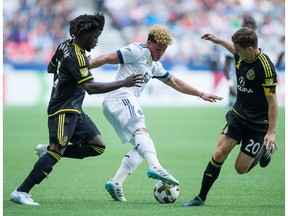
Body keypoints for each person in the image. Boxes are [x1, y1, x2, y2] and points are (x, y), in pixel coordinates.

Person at [9, 13, 143, 206]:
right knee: (57, 151)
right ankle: (21, 192)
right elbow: (90, 88)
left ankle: (47, 151)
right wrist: (123, 82)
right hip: (63, 110)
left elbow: (50, 67)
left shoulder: (65, 45)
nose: (97, 42)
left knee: (97, 146)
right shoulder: (77, 56)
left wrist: (76, 69)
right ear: (84, 33)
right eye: (95, 37)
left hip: (74, 109)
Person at [89, 24, 223, 202]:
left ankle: (116, 182)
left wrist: (200, 93)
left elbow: (174, 81)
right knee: (141, 132)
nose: (160, 53)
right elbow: (107, 57)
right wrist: (82, 67)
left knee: (141, 144)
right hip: (120, 97)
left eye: (164, 50)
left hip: (117, 103)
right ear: (149, 43)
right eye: (158, 48)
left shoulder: (154, 65)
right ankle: (156, 166)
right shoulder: (137, 50)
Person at [183, 27, 278, 207]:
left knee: (240, 169)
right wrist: (218, 41)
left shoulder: (265, 67)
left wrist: (271, 132)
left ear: (250, 49)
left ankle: (263, 150)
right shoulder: (242, 55)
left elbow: (273, 103)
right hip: (238, 116)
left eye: (239, 50)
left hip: (258, 125)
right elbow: (232, 48)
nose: (236, 53)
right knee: (219, 152)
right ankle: (200, 197)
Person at [223, 15, 258, 109]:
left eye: (252, 27)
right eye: (247, 26)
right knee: (232, 115)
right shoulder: (236, 42)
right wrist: (230, 83)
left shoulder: (260, 42)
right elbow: (226, 64)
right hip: (236, 83)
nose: (249, 28)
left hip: (253, 84)